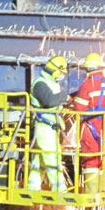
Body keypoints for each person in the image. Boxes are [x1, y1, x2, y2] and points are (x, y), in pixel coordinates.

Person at [72, 53, 105, 196]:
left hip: (90, 127)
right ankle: (103, 190)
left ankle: (91, 194)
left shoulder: (87, 85)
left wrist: (72, 102)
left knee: (91, 159)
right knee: (104, 158)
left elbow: (79, 109)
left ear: (86, 68)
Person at [28, 56, 69, 192]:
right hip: (44, 127)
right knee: (53, 159)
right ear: (55, 71)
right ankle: (60, 191)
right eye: (61, 71)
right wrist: (64, 97)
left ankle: (32, 187)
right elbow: (49, 101)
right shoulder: (40, 84)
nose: (62, 74)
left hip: (50, 127)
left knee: (40, 159)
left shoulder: (50, 82)